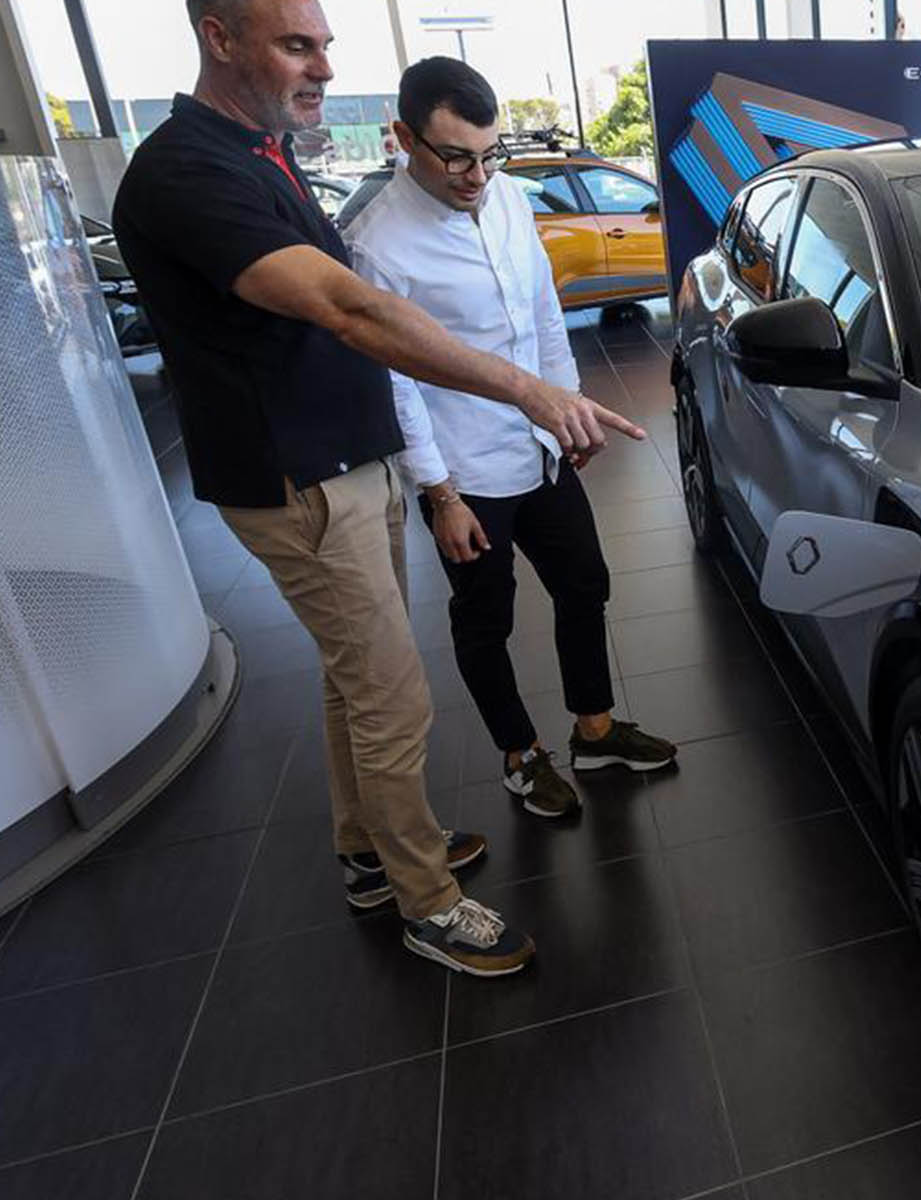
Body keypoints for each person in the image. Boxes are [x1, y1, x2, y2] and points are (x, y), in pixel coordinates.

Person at [112, 0, 643, 976]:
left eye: (322, 45)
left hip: (347, 469)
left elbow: (519, 308)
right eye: (293, 44)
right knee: (394, 696)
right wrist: (522, 394)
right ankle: (427, 900)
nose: (318, 66)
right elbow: (352, 310)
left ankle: (369, 854)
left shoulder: (262, 154)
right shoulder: (188, 170)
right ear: (218, 37)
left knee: (354, 682)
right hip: (300, 477)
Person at [345, 58, 678, 817]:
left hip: (540, 448)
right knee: (486, 619)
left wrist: (569, 415)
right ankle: (521, 755)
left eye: (489, 154)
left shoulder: (505, 203)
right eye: (456, 156)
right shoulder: (376, 244)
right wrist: (439, 494)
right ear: (403, 138)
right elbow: (393, 382)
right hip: (462, 474)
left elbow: (541, 315)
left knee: (584, 584)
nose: (476, 175)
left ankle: (593, 730)